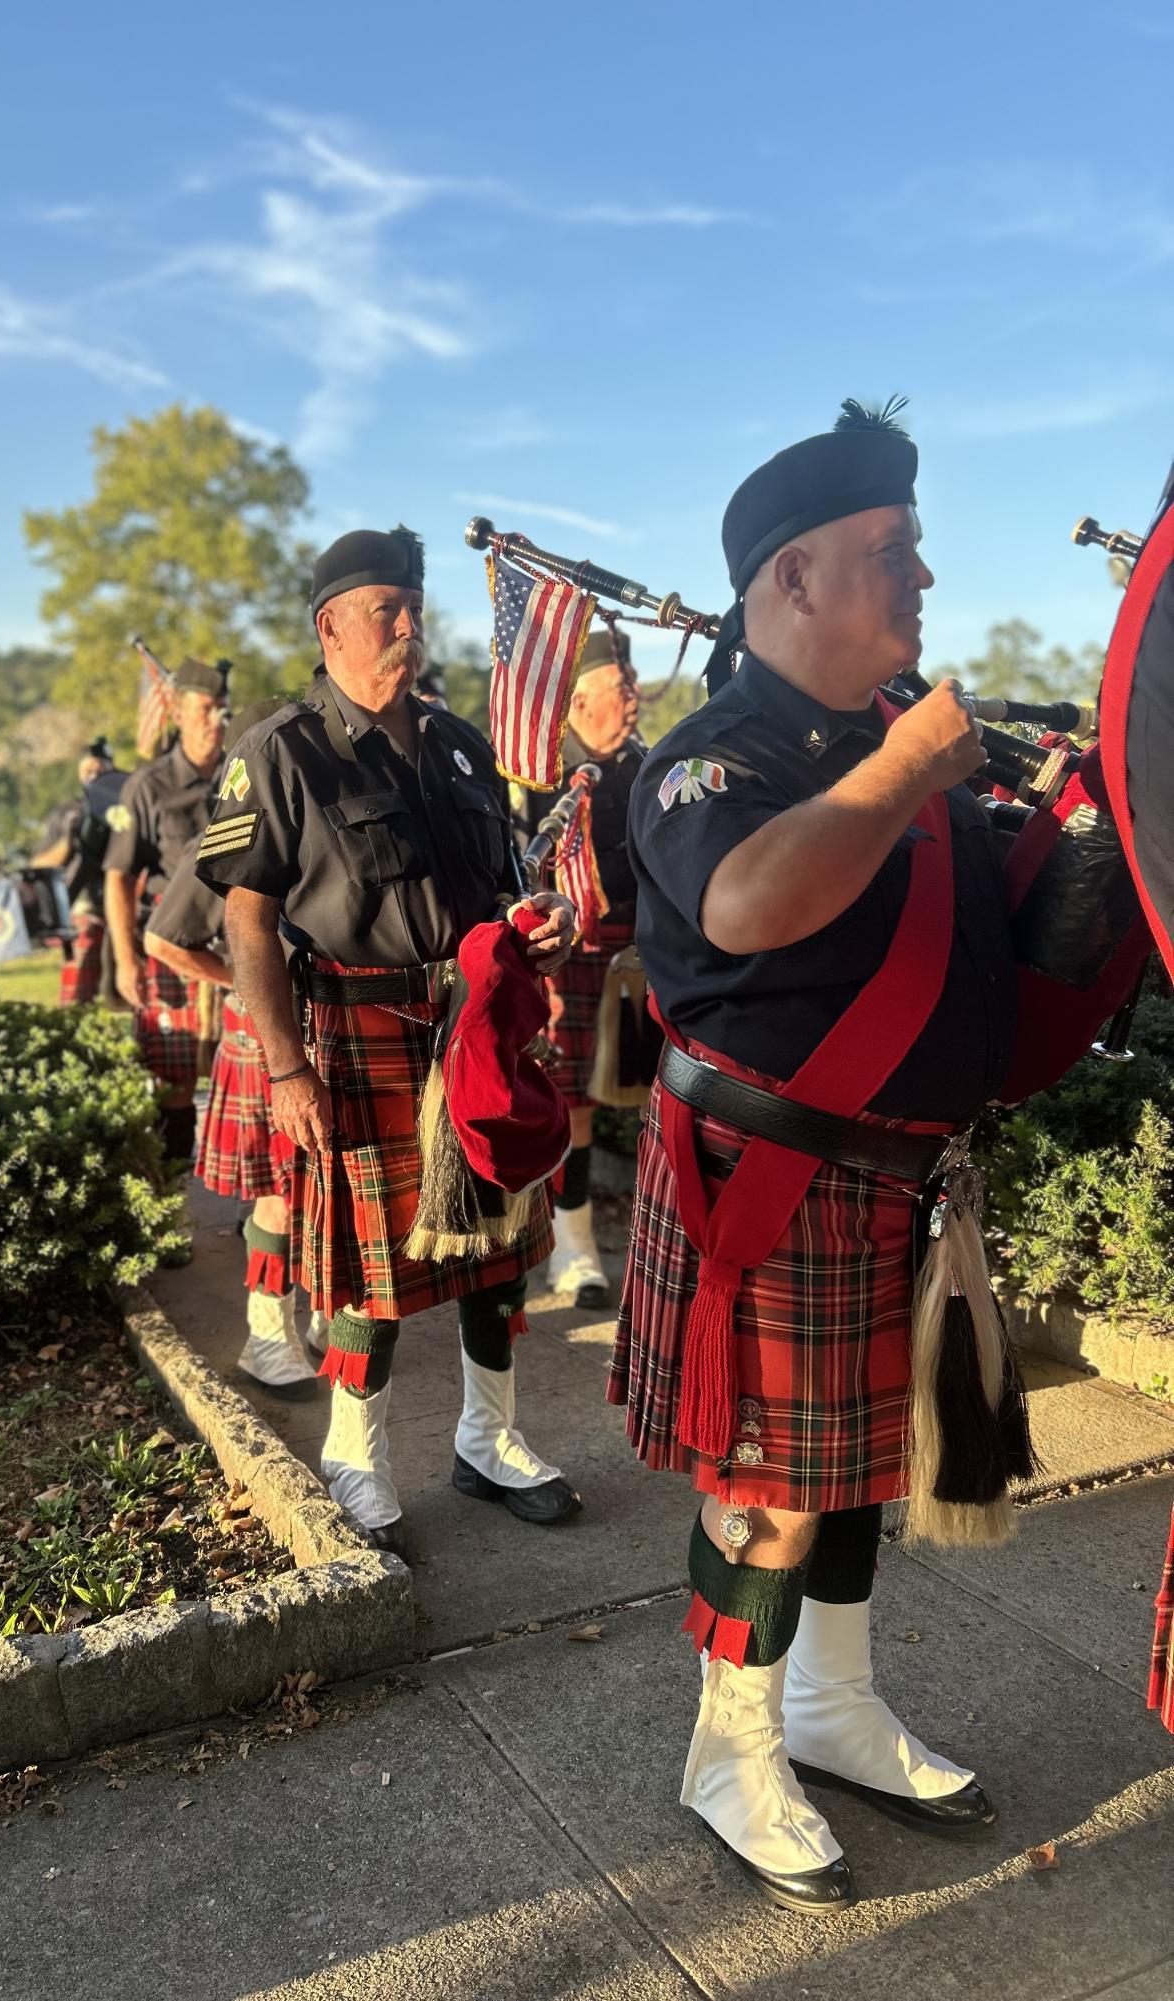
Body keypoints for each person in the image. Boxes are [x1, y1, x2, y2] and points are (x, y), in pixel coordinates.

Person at [612, 400, 1026, 1914]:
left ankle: (830, 1705)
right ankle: (729, 1749)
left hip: (897, 1174)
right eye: (888, 551)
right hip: (771, 1183)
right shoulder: (706, 760)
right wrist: (915, 767)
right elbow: (746, 904)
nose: (921, 577)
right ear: (790, 578)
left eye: (914, 550)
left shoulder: (888, 737)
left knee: (854, 1473)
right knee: (772, 1480)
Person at [194, 525, 582, 1556]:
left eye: (413, 608)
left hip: (469, 1028)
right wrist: (284, 1068)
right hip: (357, 1030)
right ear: (330, 627)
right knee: (369, 1277)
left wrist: (537, 924)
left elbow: (500, 891)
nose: (409, 627)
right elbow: (245, 923)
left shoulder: (459, 745)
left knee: (498, 1252)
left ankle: (487, 1440)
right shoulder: (282, 751)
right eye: (387, 611)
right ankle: (354, 1459)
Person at [146, 698, 325, 1397]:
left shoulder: (318, 822)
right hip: (263, 1038)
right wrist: (247, 985)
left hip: (326, 1027)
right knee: (279, 1194)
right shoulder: (228, 832)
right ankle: (263, 1336)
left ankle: (315, 1317)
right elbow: (165, 940)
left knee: (315, 1190)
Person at [516, 627, 647, 1308]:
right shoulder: (539, 778)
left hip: (638, 952)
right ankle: (573, 1250)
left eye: (631, 685)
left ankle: (654, 1250)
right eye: (620, 687)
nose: (633, 697)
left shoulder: (648, 765)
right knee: (572, 1107)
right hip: (567, 952)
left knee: (652, 1096)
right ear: (579, 701)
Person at [104, 660, 228, 1158]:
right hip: (171, 939)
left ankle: (241, 1189)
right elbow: (118, 875)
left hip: (233, 935)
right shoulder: (147, 786)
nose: (216, 720)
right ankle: (174, 1189)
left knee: (239, 1066)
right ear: (177, 713)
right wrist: (125, 958)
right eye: (204, 709)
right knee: (173, 1081)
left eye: (223, 709)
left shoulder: (244, 771)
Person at [33, 737, 124, 1006]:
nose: (94, 778)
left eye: (100, 771)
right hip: (83, 910)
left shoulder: (128, 808)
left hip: (124, 906)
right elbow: (39, 862)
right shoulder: (67, 813)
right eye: (87, 772)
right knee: (76, 1000)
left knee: (128, 997)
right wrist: (71, 840)